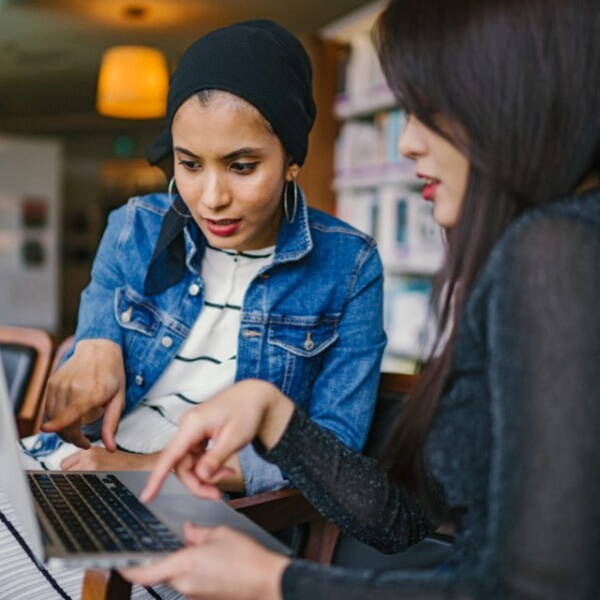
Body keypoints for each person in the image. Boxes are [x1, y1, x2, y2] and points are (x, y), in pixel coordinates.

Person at [123, 0, 600, 598]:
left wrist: (275, 582)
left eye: (428, 111)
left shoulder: (557, 250)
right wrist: (275, 415)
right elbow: (401, 523)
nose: (407, 144)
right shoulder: (545, 249)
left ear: (514, 99)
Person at [0, 20, 386, 599]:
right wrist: (97, 339)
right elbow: (92, 346)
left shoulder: (349, 266)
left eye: (241, 165)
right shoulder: (135, 225)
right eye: (189, 163)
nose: (210, 197)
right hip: (83, 468)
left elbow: (330, 451)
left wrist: (155, 467)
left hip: (207, 509)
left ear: (292, 161)